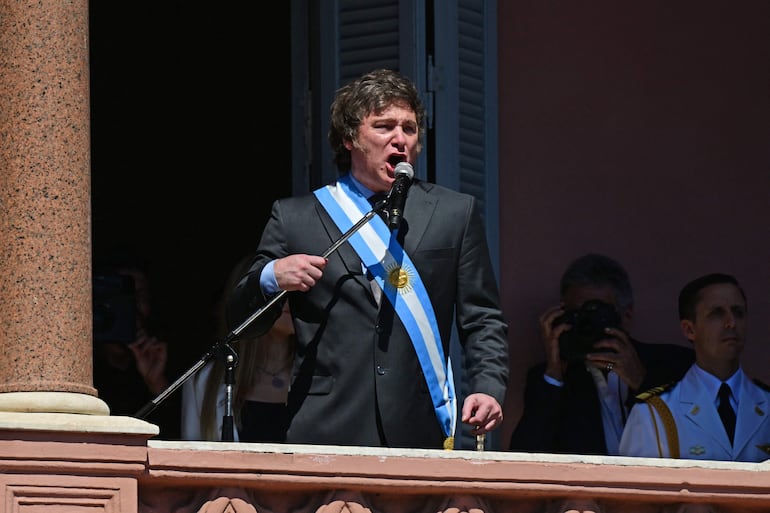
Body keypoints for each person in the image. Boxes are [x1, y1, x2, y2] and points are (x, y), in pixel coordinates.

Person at [225, 68, 509, 450]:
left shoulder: (453, 213)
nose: (400, 139)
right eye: (384, 126)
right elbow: (241, 325)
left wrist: (488, 387)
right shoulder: (296, 217)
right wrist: (271, 276)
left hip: (421, 425)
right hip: (326, 428)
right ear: (349, 138)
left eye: (409, 129)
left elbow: (483, 318)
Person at [509, 253, 694, 455]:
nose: (587, 324)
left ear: (626, 315)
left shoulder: (674, 364)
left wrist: (642, 382)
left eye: (596, 313)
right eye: (578, 315)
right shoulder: (554, 380)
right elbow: (525, 454)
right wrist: (554, 373)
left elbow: (695, 442)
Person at [619, 273, 770, 462]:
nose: (731, 323)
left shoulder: (766, 402)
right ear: (689, 329)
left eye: (738, 312)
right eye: (717, 313)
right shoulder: (654, 414)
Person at [181, 258, 296, 442]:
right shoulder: (205, 381)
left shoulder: (319, 378)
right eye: (277, 288)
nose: (290, 297)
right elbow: (188, 461)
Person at [92, 249, 182, 439]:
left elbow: (178, 439)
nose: (131, 307)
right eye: (122, 296)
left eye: (139, 297)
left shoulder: (161, 360)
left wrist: (157, 384)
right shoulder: (83, 366)